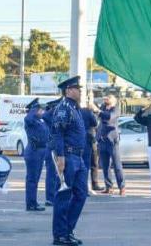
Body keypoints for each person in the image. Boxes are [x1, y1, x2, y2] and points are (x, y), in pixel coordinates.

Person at [50, 76, 88, 246]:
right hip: (69, 156)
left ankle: (68, 230)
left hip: (78, 157)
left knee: (81, 194)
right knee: (64, 196)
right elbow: (58, 132)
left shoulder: (75, 108)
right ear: (68, 91)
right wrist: (61, 157)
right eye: (77, 88)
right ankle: (60, 235)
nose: (80, 91)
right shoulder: (64, 108)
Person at [23, 98, 49, 211]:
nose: (42, 111)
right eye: (40, 109)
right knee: (32, 179)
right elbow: (28, 117)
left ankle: (33, 202)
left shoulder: (40, 121)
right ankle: (31, 203)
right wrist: (33, 109)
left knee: (35, 179)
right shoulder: (30, 120)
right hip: (33, 151)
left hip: (40, 151)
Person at [96, 94, 125, 195]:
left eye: (108, 98)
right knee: (105, 165)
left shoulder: (116, 109)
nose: (105, 99)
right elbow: (99, 116)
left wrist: (98, 111)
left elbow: (108, 117)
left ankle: (122, 187)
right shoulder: (103, 107)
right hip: (102, 140)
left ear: (113, 100)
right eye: (105, 97)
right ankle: (109, 186)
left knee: (117, 165)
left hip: (112, 140)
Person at [43, 98, 61, 206]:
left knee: (56, 174)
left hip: (56, 148)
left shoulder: (55, 117)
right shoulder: (48, 117)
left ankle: (54, 196)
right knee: (51, 175)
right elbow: (45, 116)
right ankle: (50, 198)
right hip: (51, 148)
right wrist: (54, 108)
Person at [80, 103, 100, 191]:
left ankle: (82, 187)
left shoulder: (77, 111)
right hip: (89, 140)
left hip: (79, 141)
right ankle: (91, 185)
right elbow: (95, 123)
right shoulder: (88, 112)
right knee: (91, 164)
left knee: (82, 165)